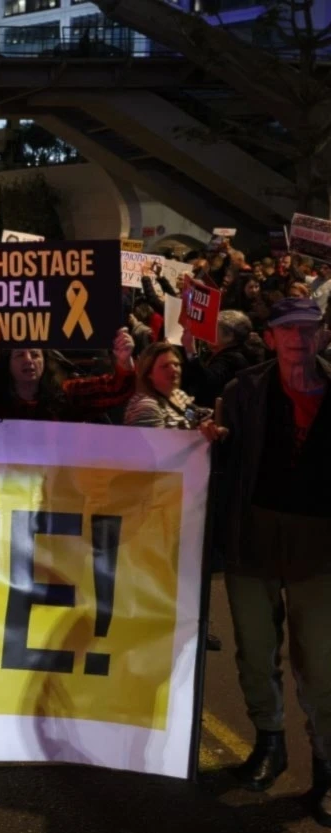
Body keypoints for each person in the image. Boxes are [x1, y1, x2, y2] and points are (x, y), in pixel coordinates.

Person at [205, 298, 331, 825]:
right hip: (252, 537)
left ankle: (327, 767)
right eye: (288, 330)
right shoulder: (244, 391)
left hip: (319, 545)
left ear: (323, 335)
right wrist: (209, 442)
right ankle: (269, 743)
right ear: (272, 338)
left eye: (308, 328)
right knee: (256, 653)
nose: (298, 338)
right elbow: (226, 459)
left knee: (321, 665)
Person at [0, 321, 136, 422]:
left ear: (45, 361)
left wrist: (124, 361)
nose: (29, 360)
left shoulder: (66, 394)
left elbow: (115, 391)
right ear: (7, 364)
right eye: (20, 355)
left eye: (35, 354)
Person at [124, 343, 214, 430]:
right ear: (149, 373)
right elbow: (157, 444)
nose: (174, 369)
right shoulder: (146, 407)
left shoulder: (178, 395)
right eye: (165, 366)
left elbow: (190, 417)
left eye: (176, 364)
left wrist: (205, 427)